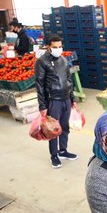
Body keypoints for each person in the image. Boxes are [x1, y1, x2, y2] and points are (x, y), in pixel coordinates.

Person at [35, 34, 77, 168]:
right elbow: (39, 85)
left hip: (66, 99)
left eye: (60, 46)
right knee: (53, 129)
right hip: (53, 101)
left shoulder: (63, 60)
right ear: (48, 47)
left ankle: (63, 150)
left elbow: (69, 80)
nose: (58, 49)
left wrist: (72, 98)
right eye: (55, 47)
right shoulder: (42, 62)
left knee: (64, 127)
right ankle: (54, 155)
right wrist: (42, 106)